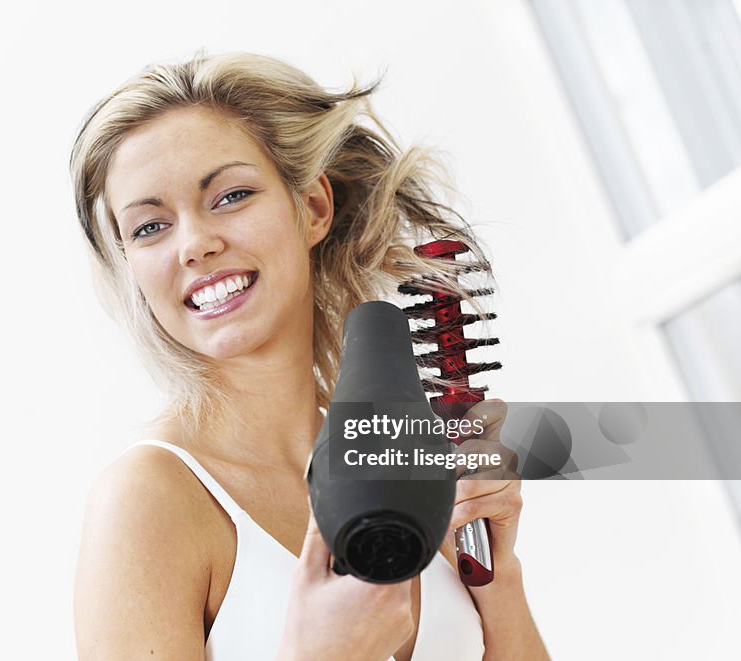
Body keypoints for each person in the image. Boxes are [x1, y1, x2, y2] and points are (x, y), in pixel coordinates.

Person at [70, 51, 549, 660]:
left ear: (314, 207)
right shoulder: (149, 502)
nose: (195, 244)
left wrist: (498, 577)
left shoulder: (398, 452)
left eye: (230, 196)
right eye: (148, 227)